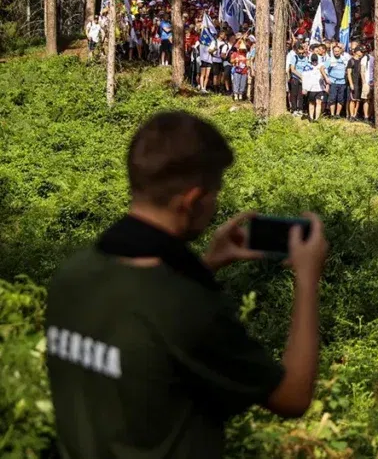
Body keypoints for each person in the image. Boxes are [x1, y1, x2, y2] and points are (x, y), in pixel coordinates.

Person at [44, 112, 329, 457]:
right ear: (193, 200)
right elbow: (292, 396)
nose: (216, 203)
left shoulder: (73, 274)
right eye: (215, 192)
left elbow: (140, 330)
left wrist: (205, 263)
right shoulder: (186, 309)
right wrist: (307, 279)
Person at [325, 44, 350, 119]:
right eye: (335, 51)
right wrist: (326, 78)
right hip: (333, 82)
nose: (336, 53)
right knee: (332, 98)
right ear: (333, 52)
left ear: (341, 51)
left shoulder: (344, 59)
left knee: (341, 99)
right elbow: (322, 68)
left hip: (342, 82)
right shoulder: (330, 59)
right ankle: (332, 114)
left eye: (338, 51)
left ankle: (337, 114)